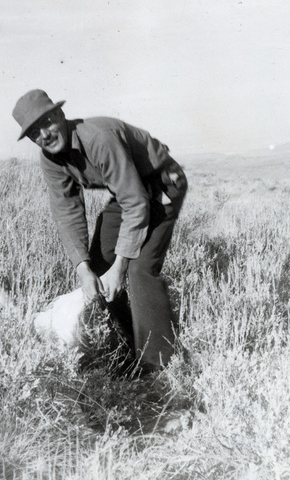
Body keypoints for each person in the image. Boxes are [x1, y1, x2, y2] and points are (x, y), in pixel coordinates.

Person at [13, 89, 188, 373]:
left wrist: (120, 266)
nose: (44, 135)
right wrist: (83, 270)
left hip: (163, 182)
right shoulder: (50, 159)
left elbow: (136, 202)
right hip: (130, 191)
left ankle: (161, 367)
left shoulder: (98, 138)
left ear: (60, 114)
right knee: (97, 263)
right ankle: (129, 348)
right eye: (34, 133)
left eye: (46, 123)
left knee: (139, 269)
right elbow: (66, 212)